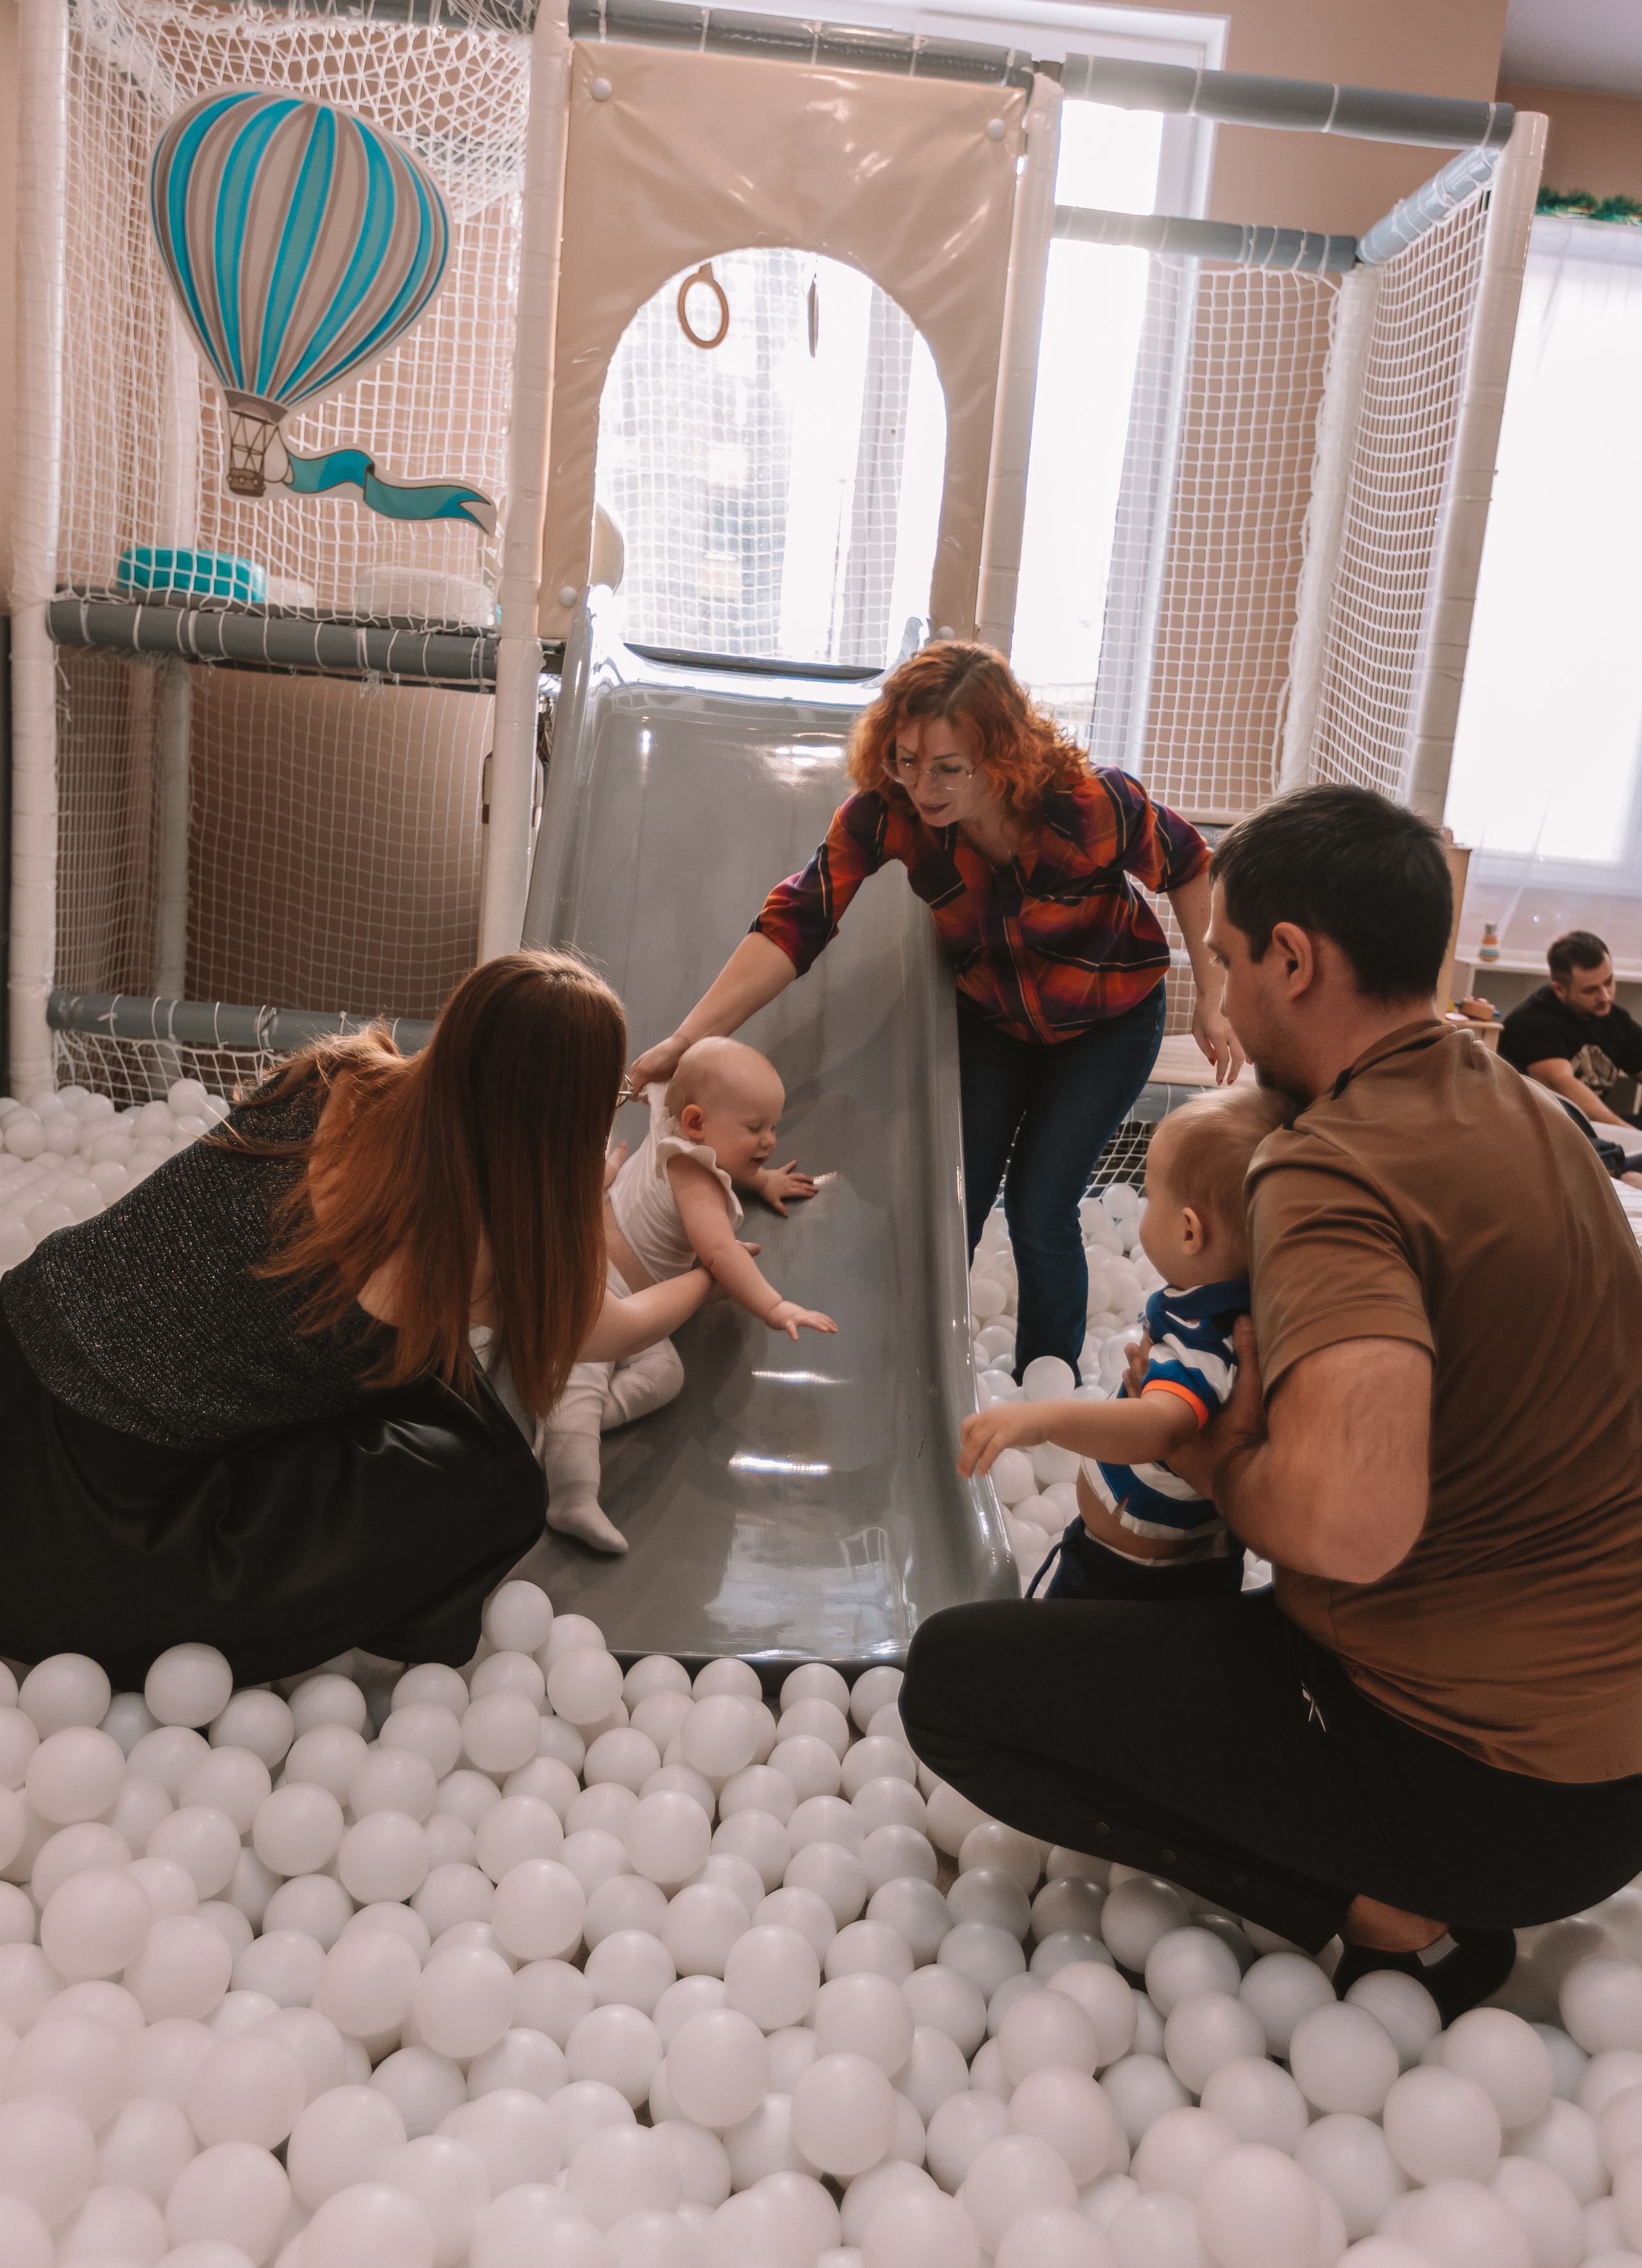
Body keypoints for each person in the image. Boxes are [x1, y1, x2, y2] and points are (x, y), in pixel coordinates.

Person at [903, 784, 1642, 2024]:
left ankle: (1377, 1916)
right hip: (1610, 1778)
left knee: (954, 1684)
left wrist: (1219, 1455)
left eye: (1230, 959)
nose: (1222, 993)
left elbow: (1352, 1528)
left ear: (1295, 961)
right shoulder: (1535, 1115)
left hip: (1460, 1789)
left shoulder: (1329, 1166)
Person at [0, 951, 714, 1686]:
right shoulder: (460, 1256)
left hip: (15, 1352)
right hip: (75, 1530)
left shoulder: (335, 1072)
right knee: (495, 1482)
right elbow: (611, 1330)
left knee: (377, 1361)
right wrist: (707, 1275)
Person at [629, 643, 1241, 1380]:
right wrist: (686, 1038)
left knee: (1041, 1206)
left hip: (1107, 1023)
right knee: (957, 1194)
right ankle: (926, 1378)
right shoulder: (886, 816)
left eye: (948, 767)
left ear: (1002, 754)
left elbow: (1189, 863)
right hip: (993, 1021)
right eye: (906, 761)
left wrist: (1214, 997)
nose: (922, 785)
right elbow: (797, 922)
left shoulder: (1090, 806)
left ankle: (1047, 1380)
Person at [957, 1084, 1285, 1601]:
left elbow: (1160, 1427)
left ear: (1189, 1233)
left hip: (1128, 1577)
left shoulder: (1206, 1338)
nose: (1143, 1205)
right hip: (1169, 1556)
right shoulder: (1235, 1307)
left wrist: (1045, 1420)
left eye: (1151, 1196)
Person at [536, 1036, 834, 1553]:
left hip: (633, 1304)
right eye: (754, 1129)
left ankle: (568, 1422)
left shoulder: (669, 1122)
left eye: (772, 1127)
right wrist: (774, 1305)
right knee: (587, 1374)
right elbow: (720, 1253)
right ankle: (572, 1496)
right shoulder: (696, 1178)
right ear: (696, 1123)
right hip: (594, 1285)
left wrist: (759, 1181)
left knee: (666, 1374)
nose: (768, 1141)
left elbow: (661, 1093)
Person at [1500, 930, 1642, 1129]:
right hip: (1541, 1130)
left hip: (1588, 1130)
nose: (1605, 997)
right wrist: (1633, 1136)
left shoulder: (1614, 1018)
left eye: (1608, 982)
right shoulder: (1534, 1022)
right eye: (1591, 990)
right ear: (1559, 989)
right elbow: (1563, 1087)